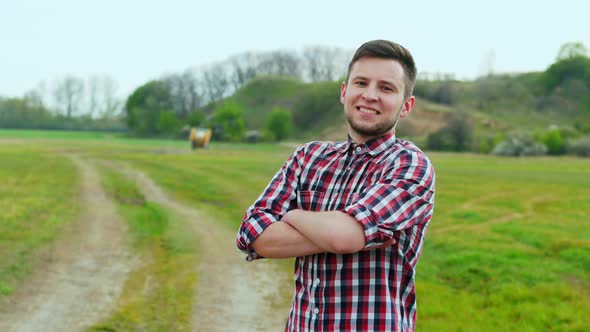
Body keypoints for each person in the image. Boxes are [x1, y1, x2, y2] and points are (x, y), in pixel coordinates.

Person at [236, 39, 435, 332]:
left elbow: (345, 237)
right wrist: (343, 232)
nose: (370, 95)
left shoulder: (409, 166)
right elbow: (252, 233)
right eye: (361, 83)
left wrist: (292, 216)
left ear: (407, 105)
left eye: (386, 88)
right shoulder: (308, 157)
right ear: (344, 92)